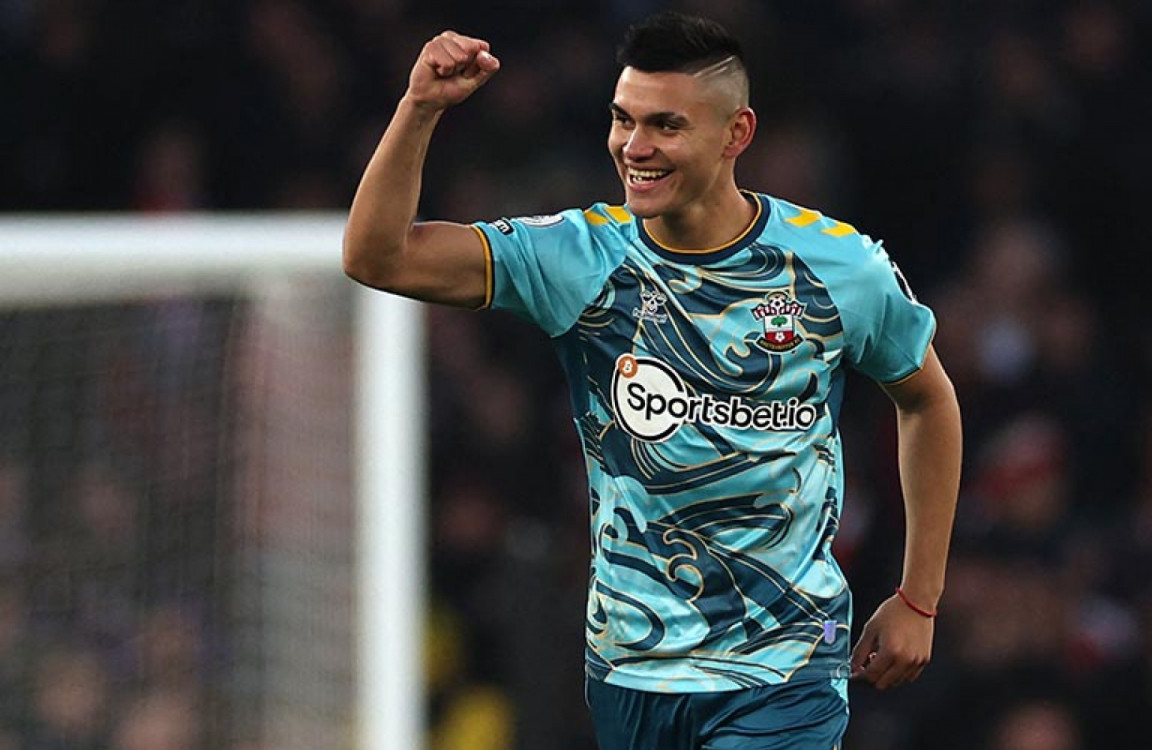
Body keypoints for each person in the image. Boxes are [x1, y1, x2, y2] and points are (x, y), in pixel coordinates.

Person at [344, 11, 962, 750]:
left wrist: (919, 598)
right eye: (622, 120)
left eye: (665, 126)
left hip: (784, 667)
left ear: (736, 134)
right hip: (630, 665)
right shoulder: (579, 258)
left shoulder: (837, 268)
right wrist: (419, 109)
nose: (634, 148)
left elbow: (926, 398)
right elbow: (377, 257)